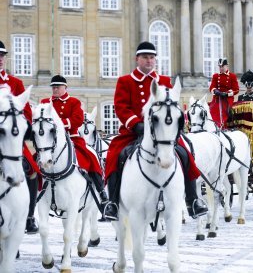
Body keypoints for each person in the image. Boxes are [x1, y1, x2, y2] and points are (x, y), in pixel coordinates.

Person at [104, 41, 208, 221]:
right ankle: (113, 203)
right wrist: (136, 124)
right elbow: (121, 107)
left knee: (185, 155)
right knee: (116, 156)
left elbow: (172, 106)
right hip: (133, 132)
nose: (149, 61)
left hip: (162, 134)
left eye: (152, 58)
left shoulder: (164, 81)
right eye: (145, 58)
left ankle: (193, 200)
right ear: (137, 59)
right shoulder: (125, 81)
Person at [41, 75, 108, 211]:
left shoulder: (74, 102)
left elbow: (77, 120)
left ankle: (102, 192)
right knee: (34, 158)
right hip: (49, 140)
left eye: (58, 87)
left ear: (65, 87)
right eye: (53, 87)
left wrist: (59, 125)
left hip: (71, 137)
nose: (55, 89)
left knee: (92, 156)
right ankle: (33, 190)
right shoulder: (45, 102)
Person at [0, 40, 39, 234]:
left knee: (32, 170)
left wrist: (23, 128)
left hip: (11, 142)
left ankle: (29, 216)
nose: (0, 59)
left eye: (2, 56)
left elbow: (27, 112)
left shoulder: (15, 83)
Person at [209, 58, 239, 129]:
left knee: (226, 112)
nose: (221, 68)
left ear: (227, 66)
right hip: (217, 98)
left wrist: (227, 94)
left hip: (227, 99)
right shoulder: (215, 76)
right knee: (212, 110)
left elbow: (236, 89)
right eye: (220, 67)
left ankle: (224, 127)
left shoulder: (232, 76)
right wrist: (215, 91)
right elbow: (211, 87)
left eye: (222, 66)